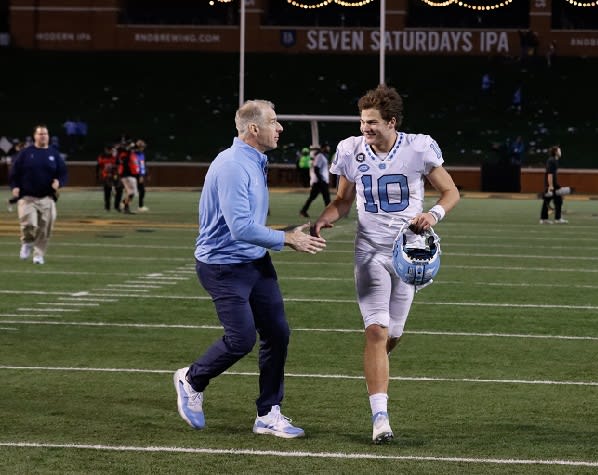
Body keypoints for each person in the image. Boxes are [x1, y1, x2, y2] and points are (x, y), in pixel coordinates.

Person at [311, 84, 460, 444]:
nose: (365, 128)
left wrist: (434, 215)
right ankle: (381, 419)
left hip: (407, 251)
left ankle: (374, 366)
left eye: (373, 122)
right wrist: (324, 218)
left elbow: (451, 191)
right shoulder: (350, 150)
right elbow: (343, 201)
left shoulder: (417, 147)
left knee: (391, 335)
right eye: (363, 121)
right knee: (376, 331)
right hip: (369, 251)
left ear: (391, 122)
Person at [173, 99, 327, 438]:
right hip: (223, 265)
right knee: (241, 338)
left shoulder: (255, 160)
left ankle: (268, 413)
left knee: (277, 333)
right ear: (254, 129)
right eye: (274, 121)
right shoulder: (231, 164)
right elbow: (240, 226)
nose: (280, 127)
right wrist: (287, 239)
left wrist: (287, 235)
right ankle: (191, 379)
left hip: (254, 261)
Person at [8, 124, 68, 264]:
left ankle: (38, 255)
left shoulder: (54, 154)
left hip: (47, 198)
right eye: (40, 134)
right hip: (27, 197)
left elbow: (63, 173)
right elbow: (14, 172)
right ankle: (27, 242)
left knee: (45, 229)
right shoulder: (26, 153)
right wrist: (15, 186)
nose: (43, 136)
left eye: (45, 134)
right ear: (34, 136)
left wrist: (59, 182)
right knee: (29, 225)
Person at [299, 144, 331, 218]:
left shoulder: (322, 156)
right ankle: (329, 214)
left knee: (313, 197)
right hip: (320, 182)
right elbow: (316, 169)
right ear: (323, 148)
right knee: (326, 198)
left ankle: (303, 211)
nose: (328, 148)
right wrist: (321, 180)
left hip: (320, 181)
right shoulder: (320, 156)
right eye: (327, 147)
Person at [540, 145, 567, 224]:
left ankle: (557, 218)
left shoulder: (554, 160)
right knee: (547, 201)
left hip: (553, 184)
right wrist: (551, 186)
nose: (560, 152)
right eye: (559, 150)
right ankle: (544, 219)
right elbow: (549, 174)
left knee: (558, 200)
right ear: (555, 152)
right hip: (550, 185)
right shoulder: (551, 160)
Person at [116, 142, 139, 214]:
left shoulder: (131, 154)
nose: (133, 149)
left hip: (129, 175)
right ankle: (125, 206)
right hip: (127, 175)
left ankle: (124, 205)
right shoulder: (125, 154)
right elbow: (123, 163)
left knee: (131, 193)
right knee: (132, 193)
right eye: (132, 148)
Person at [96, 144, 120, 211]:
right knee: (107, 191)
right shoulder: (102, 156)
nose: (110, 151)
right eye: (108, 149)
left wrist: (116, 172)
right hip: (106, 175)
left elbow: (119, 165)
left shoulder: (115, 156)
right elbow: (98, 166)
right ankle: (107, 207)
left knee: (119, 191)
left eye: (111, 150)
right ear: (106, 150)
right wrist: (97, 175)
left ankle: (117, 206)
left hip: (115, 175)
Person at [134, 139, 149, 211]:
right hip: (135, 175)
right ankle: (140, 206)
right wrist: (140, 175)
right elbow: (136, 166)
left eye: (143, 147)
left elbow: (143, 165)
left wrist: (145, 174)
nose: (143, 148)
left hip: (140, 175)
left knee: (141, 191)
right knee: (135, 191)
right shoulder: (134, 155)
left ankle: (140, 206)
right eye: (141, 147)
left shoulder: (142, 154)